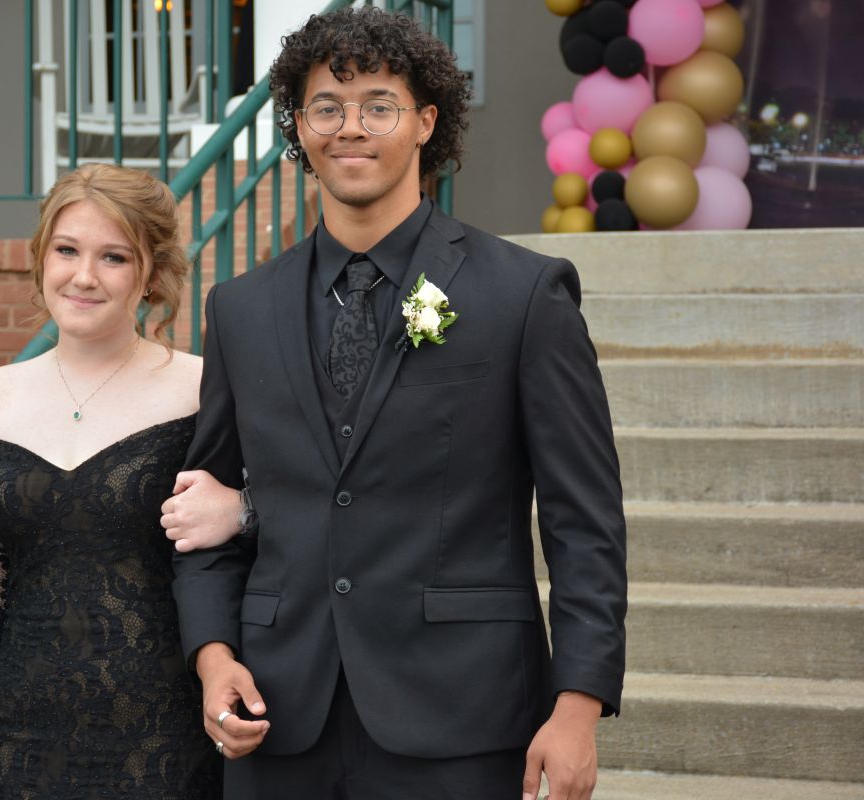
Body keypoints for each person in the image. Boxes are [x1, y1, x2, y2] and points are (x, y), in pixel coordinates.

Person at [168, 7, 628, 800]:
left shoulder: (523, 295)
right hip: (278, 718)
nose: (351, 127)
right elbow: (204, 516)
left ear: (425, 123)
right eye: (326, 106)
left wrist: (577, 706)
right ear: (299, 127)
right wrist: (213, 659)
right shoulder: (239, 309)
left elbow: (583, 522)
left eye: (378, 105)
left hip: (464, 717)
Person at [0, 163, 243, 799]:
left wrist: (245, 508)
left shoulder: (203, 389)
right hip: (22, 736)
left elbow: (262, 536)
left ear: (151, 274)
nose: (84, 276)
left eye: (113, 256)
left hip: (167, 735)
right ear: (41, 258)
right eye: (66, 250)